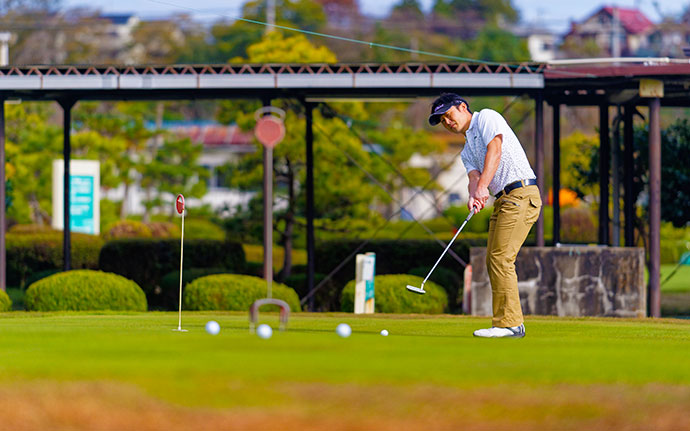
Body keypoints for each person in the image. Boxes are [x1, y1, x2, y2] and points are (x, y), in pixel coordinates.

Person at [428, 93, 541, 338]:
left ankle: (509, 324)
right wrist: (474, 194)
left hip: (521, 193)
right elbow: (474, 178)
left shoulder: (487, 118)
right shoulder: (467, 150)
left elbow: (495, 150)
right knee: (494, 260)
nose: (447, 122)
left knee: (501, 259)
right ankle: (509, 322)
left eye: (448, 115)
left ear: (462, 107)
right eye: (441, 120)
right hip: (503, 200)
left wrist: (482, 189)